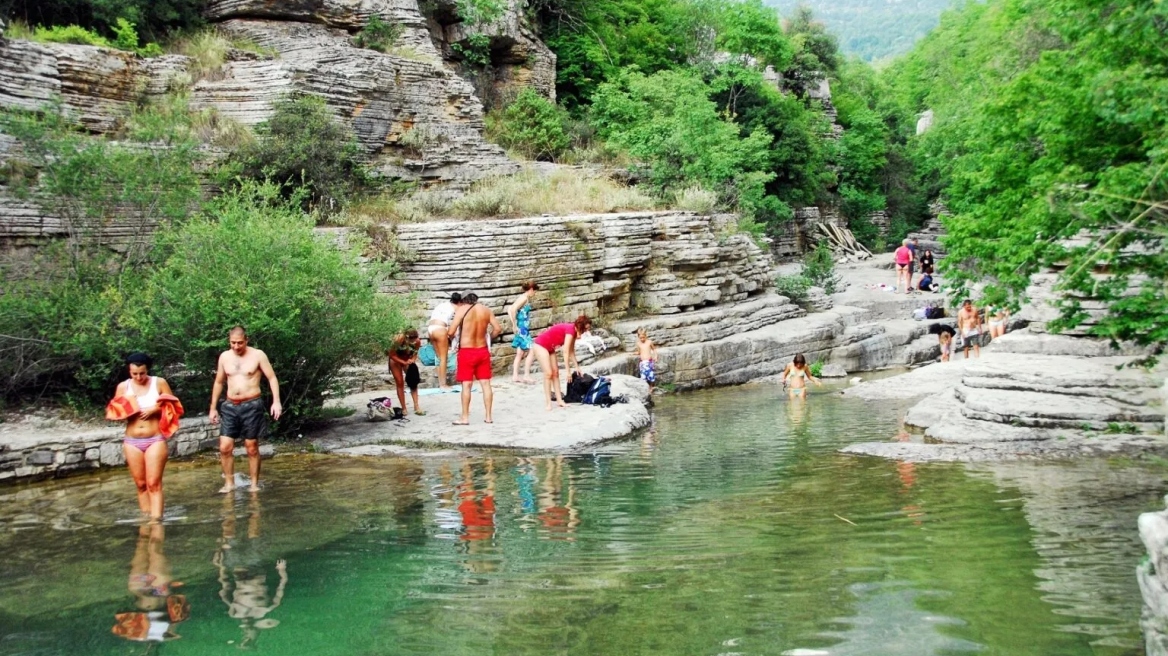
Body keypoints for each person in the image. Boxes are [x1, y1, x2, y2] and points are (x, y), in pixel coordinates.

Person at [108, 352, 180, 521]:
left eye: (142, 373)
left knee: (154, 483)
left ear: (147, 370)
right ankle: (146, 521)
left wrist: (155, 409)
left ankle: (156, 522)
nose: (139, 377)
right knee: (141, 485)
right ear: (129, 371)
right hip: (132, 440)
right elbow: (115, 412)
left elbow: (173, 405)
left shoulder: (159, 382)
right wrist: (128, 408)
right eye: (134, 374)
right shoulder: (123, 387)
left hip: (154, 438)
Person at [209, 326, 281, 493]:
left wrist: (276, 402)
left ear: (246, 340)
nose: (236, 346)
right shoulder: (224, 357)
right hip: (230, 406)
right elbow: (219, 382)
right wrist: (213, 408)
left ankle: (254, 484)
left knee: (251, 446)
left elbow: (272, 377)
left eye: (239, 343)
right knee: (225, 447)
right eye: (233, 343)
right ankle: (229, 483)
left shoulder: (258, 355)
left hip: (252, 404)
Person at [112, 523, 189, 642]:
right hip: (153, 588)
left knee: (144, 544)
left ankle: (147, 518)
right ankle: (155, 520)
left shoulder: (153, 633)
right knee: (154, 548)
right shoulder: (152, 633)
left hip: (144, 588)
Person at [450, 293, 502, 425]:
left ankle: (465, 418)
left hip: (466, 352)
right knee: (486, 384)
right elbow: (497, 329)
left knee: (466, 385)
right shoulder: (486, 310)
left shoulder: (461, 310)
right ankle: (489, 417)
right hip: (482, 350)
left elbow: (450, 332)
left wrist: (454, 340)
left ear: (463, 300)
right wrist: (488, 337)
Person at [532, 315, 591, 411]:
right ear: (581, 326)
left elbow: (571, 351)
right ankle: (548, 403)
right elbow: (565, 351)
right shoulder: (570, 330)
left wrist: (577, 367)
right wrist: (568, 372)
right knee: (548, 373)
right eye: (586, 328)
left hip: (550, 348)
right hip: (540, 345)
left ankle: (559, 400)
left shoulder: (575, 333)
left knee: (555, 373)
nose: (586, 331)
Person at [427, 292, 462, 390]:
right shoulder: (457, 307)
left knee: (438, 357)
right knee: (443, 358)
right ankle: (443, 385)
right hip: (440, 329)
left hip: (430, 328)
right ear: (459, 302)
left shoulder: (442, 304)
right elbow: (456, 323)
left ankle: (440, 383)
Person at [508, 281, 539, 384]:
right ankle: (526, 375)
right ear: (531, 289)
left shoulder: (522, 297)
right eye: (534, 291)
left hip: (521, 328)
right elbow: (512, 309)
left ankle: (515, 376)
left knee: (520, 353)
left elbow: (510, 309)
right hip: (522, 330)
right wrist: (514, 325)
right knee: (531, 350)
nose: (534, 294)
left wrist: (514, 324)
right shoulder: (524, 298)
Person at [388, 329, 425, 416]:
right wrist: (403, 362)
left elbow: (415, 353)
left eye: (414, 340)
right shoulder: (398, 340)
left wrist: (412, 360)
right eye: (411, 340)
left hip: (407, 359)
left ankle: (416, 405)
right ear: (406, 337)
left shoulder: (417, 341)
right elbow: (391, 354)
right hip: (395, 360)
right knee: (400, 382)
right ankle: (404, 407)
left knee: (413, 381)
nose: (413, 341)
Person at [635, 327, 659, 392]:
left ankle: (651, 387)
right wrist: (634, 353)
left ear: (646, 336)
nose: (642, 339)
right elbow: (639, 352)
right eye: (640, 338)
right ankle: (645, 387)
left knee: (651, 375)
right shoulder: (638, 344)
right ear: (638, 337)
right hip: (643, 363)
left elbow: (654, 349)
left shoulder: (649, 342)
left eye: (643, 337)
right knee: (643, 376)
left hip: (649, 362)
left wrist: (655, 356)